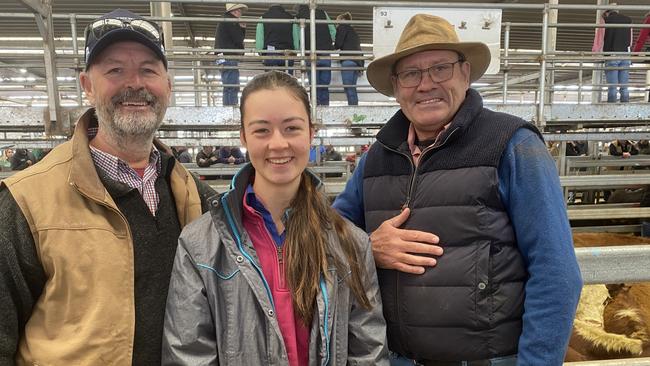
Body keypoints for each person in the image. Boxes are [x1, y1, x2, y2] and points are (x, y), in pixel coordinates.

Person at [332, 14, 582, 365]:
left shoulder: (512, 145)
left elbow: (557, 273)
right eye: (411, 74)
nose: (425, 84)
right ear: (396, 85)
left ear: (465, 74)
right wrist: (366, 247)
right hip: (396, 358)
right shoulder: (376, 158)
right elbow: (328, 233)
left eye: (440, 68)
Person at [0, 9, 215, 365]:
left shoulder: (193, 194)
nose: (135, 83)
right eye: (115, 70)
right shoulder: (26, 201)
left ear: (168, 85)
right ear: (87, 85)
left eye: (148, 69)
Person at [162, 71, 388, 365]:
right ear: (243, 136)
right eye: (262, 131)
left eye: (291, 128)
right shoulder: (199, 246)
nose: (278, 144)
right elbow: (188, 355)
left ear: (311, 132)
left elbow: (368, 352)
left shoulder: (351, 244)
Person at [294, 5, 336, 106]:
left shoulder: (298, 17)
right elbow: (333, 32)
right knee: (324, 85)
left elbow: (296, 36)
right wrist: (330, 43)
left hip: (309, 53)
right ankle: (325, 107)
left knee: (314, 84)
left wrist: (298, 50)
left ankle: (315, 108)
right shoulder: (323, 13)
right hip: (325, 52)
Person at [215, 3, 247, 106]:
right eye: (239, 11)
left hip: (221, 56)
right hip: (229, 56)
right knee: (232, 84)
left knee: (227, 85)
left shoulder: (224, 20)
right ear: (234, 11)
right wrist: (242, 28)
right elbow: (238, 39)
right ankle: (231, 108)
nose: (240, 13)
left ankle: (227, 107)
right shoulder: (231, 21)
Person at [603, 6, 632, 103]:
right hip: (625, 55)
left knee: (612, 88)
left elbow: (600, 40)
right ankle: (625, 108)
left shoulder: (606, 21)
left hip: (612, 55)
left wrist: (599, 54)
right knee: (624, 87)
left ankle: (611, 111)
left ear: (607, 13)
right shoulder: (628, 20)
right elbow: (630, 41)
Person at [256, 4, 295, 74]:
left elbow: (259, 40)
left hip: (271, 53)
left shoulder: (263, 18)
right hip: (287, 53)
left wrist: (260, 52)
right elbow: (296, 38)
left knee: (271, 80)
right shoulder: (292, 18)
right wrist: (295, 51)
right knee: (287, 81)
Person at [335, 12, 363, 105]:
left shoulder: (342, 27)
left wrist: (332, 46)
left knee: (348, 87)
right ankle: (355, 107)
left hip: (348, 60)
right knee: (352, 87)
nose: (337, 24)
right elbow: (359, 48)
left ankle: (352, 108)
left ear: (343, 20)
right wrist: (361, 65)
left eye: (338, 21)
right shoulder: (354, 32)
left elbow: (338, 44)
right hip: (356, 62)